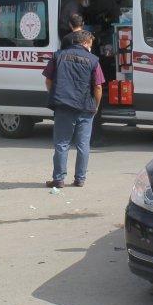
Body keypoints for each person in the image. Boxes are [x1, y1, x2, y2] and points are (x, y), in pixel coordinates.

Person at [43, 30, 104, 188]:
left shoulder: (58, 56)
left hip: (63, 106)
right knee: (83, 145)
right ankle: (80, 179)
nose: (91, 47)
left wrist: (55, 95)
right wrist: (96, 105)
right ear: (84, 43)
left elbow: (48, 80)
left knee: (62, 144)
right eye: (90, 44)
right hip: (86, 107)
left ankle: (59, 179)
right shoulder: (93, 60)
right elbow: (98, 86)